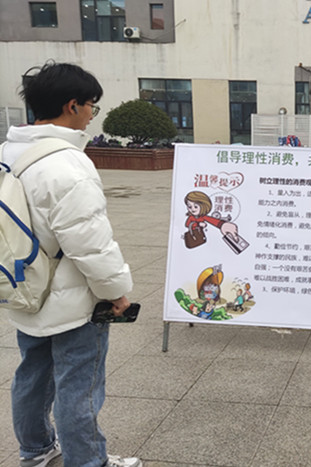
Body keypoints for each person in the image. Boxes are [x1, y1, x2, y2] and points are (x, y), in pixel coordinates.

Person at [2, 62, 142, 467]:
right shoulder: (68, 164)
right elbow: (89, 243)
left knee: (32, 376)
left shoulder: (8, 153)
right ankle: (87, 461)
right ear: (72, 105)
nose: (91, 115)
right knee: (78, 386)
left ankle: (35, 451)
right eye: (92, 106)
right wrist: (116, 293)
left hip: (22, 289)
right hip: (72, 302)